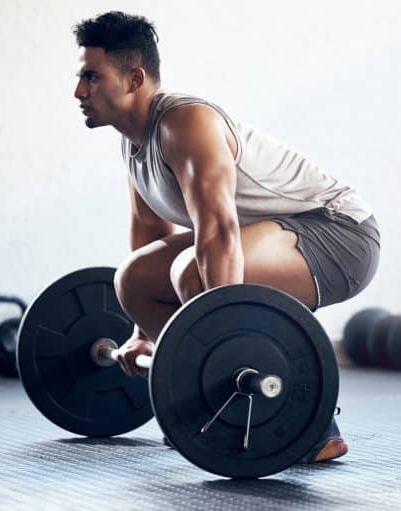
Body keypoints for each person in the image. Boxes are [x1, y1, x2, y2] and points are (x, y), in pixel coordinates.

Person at [72, 11, 380, 463]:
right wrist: (142, 335)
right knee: (132, 279)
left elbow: (216, 231)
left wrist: (231, 346)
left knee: (194, 274)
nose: (79, 92)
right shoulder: (133, 142)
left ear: (134, 78)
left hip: (338, 233)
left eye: (91, 77)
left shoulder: (185, 123)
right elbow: (149, 232)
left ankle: (308, 420)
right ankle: (213, 392)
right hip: (276, 237)